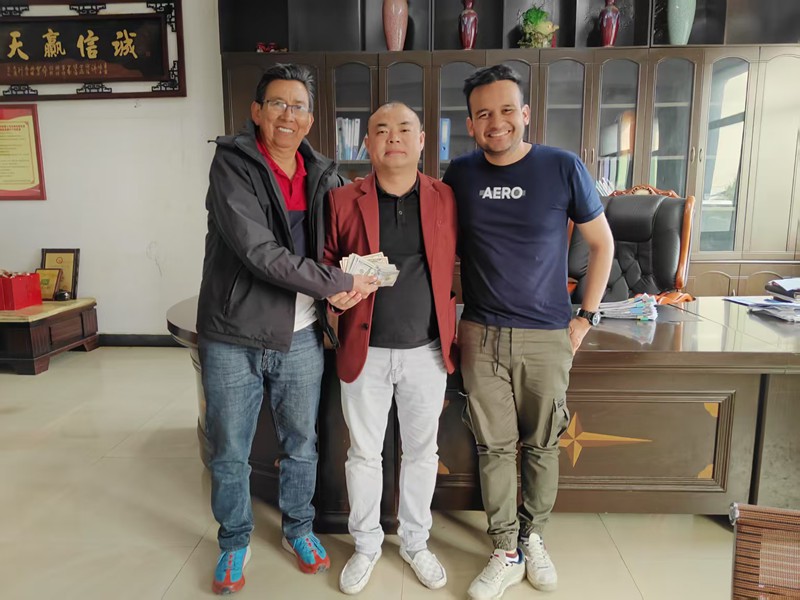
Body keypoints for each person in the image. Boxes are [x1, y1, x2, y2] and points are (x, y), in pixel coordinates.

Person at [196, 63, 378, 595]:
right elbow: (259, 253)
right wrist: (336, 281)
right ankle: (234, 539)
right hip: (233, 333)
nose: (287, 115)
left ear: (310, 119)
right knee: (231, 449)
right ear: (257, 111)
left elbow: (345, 234)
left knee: (302, 444)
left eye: (298, 106)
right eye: (277, 103)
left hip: (301, 336)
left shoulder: (322, 173)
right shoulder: (232, 164)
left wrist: (358, 274)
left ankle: (298, 528)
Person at [442, 64, 614, 600]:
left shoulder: (562, 166)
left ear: (525, 113)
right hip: (481, 334)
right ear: (470, 124)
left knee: (542, 445)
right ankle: (505, 549)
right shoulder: (459, 174)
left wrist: (585, 317)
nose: (496, 122)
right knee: (493, 448)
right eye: (483, 114)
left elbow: (602, 244)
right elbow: (440, 250)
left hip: (547, 335)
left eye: (505, 110)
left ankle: (533, 536)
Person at [323, 102, 458, 595]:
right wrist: (334, 293)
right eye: (381, 130)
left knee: (422, 452)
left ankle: (416, 542)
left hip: (427, 350)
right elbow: (326, 263)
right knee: (363, 454)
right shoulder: (342, 199)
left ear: (422, 141)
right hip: (366, 349)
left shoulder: (446, 197)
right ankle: (366, 544)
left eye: (404, 129)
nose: (393, 137)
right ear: (367, 143)